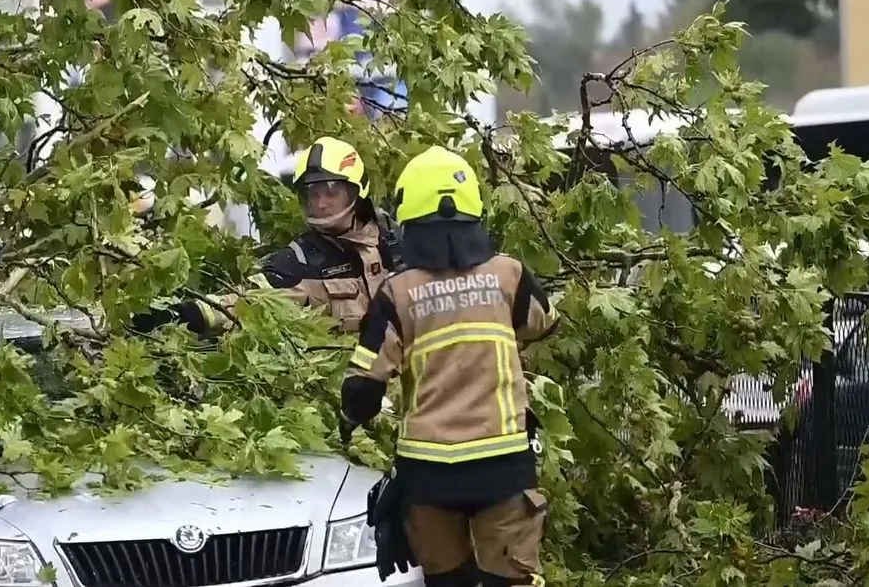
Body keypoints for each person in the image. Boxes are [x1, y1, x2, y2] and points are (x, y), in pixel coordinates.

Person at [339, 145, 560, 587]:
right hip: (502, 466)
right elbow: (545, 323)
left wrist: (347, 422)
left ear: (408, 219)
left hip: (429, 475)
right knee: (512, 580)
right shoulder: (509, 275)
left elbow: (364, 388)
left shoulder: (397, 292)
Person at [130, 136, 405, 336]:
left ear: (357, 190)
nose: (321, 203)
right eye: (313, 194)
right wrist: (180, 315)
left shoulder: (396, 238)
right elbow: (243, 302)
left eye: (331, 191)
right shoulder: (298, 262)